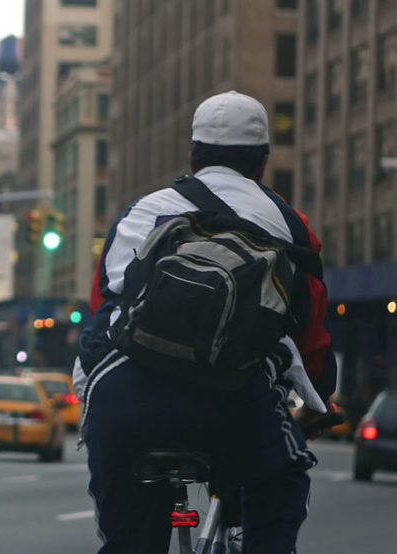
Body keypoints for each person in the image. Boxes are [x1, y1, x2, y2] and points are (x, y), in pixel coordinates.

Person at [73, 91, 337, 553]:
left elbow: (102, 315)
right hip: (232, 404)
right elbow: (310, 334)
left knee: (129, 540)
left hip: (125, 403)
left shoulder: (140, 212)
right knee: (283, 477)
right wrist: (319, 401)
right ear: (262, 161)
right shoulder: (292, 226)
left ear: (194, 154)